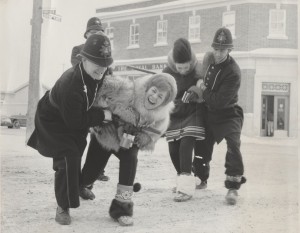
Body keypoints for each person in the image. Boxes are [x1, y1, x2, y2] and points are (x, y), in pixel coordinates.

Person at [27, 33, 114, 225]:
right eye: (96, 62)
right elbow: (76, 122)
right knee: (68, 157)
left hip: (76, 116)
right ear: (83, 59)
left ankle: (79, 184)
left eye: (105, 62)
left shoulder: (103, 72)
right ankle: (63, 206)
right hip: (54, 120)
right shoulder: (70, 83)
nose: (102, 67)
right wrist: (102, 115)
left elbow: (108, 87)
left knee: (85, 148)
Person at [80, 73, 177, 226]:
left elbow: (152, 137)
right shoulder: (129, 90)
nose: (154, 97)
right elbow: (104, 88)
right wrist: (102, 107)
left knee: (130, 160)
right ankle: (83, 185)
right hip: (106, 134)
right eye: (153, 91)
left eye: (160, 96)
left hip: (128, 141)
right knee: (89, 174)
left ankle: (122, 208)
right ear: (147, 88)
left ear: (165, 101)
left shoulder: (161, 117)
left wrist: (142, 137)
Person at [190, 27, 246, 205]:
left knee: (234, 145)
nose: (218, 53)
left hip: (228, 113)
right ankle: (200, 178)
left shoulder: (234, 72)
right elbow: (197, 75)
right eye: (216, 49)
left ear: (229, 50)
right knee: (201, 143)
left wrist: (203, 89)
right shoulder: (208, 58)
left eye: (222, 50)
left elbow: (219, 101)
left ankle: (233, 186)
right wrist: (195, 83)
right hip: (208, 112)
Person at [162, 38, 205, 202]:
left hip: (192, 112)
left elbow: (203, 85)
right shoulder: (167, 71)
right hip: (175, 113)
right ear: (174, 63)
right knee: (173, 151)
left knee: (186, 146)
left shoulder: (197, 67)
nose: (183, 71)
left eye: (186, 68)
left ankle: (186, 189)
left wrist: (195, 91)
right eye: (180, 68)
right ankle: (184, 180)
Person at [71, 16, 110, 181]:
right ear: (86, 34)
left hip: (98, 98)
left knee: (99, 136)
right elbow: (77, 67)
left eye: (99, 31)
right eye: (92, 31)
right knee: (79, 139)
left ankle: (93, 174)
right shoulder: (78, 49)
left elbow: (108, 74)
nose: (96, 34)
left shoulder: (106, 50)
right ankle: (75, 177)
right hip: (81, 96)